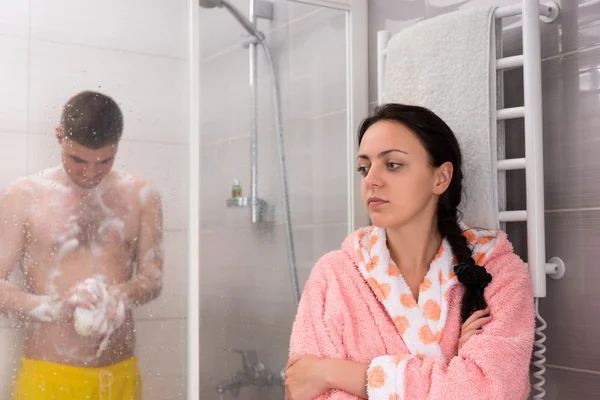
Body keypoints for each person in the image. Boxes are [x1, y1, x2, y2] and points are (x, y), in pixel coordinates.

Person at [284, 104, 536, 400]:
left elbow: (491, 391)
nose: (371, 180)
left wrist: (334, 372)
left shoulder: (497, 272)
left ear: (440, 178)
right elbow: (302, 389)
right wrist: (450, 368)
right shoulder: (333, 276)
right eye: (364, 167)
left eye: (392, 164)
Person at [0, 91, 164, 400]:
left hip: (119, 375)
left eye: (105, 161)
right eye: (78, 159)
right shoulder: (22, 196)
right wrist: (52, 308)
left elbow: (153, 280)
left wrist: (120, 295)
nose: (90, 172)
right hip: (48, 378)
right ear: (59, 136)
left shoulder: (141, 195)